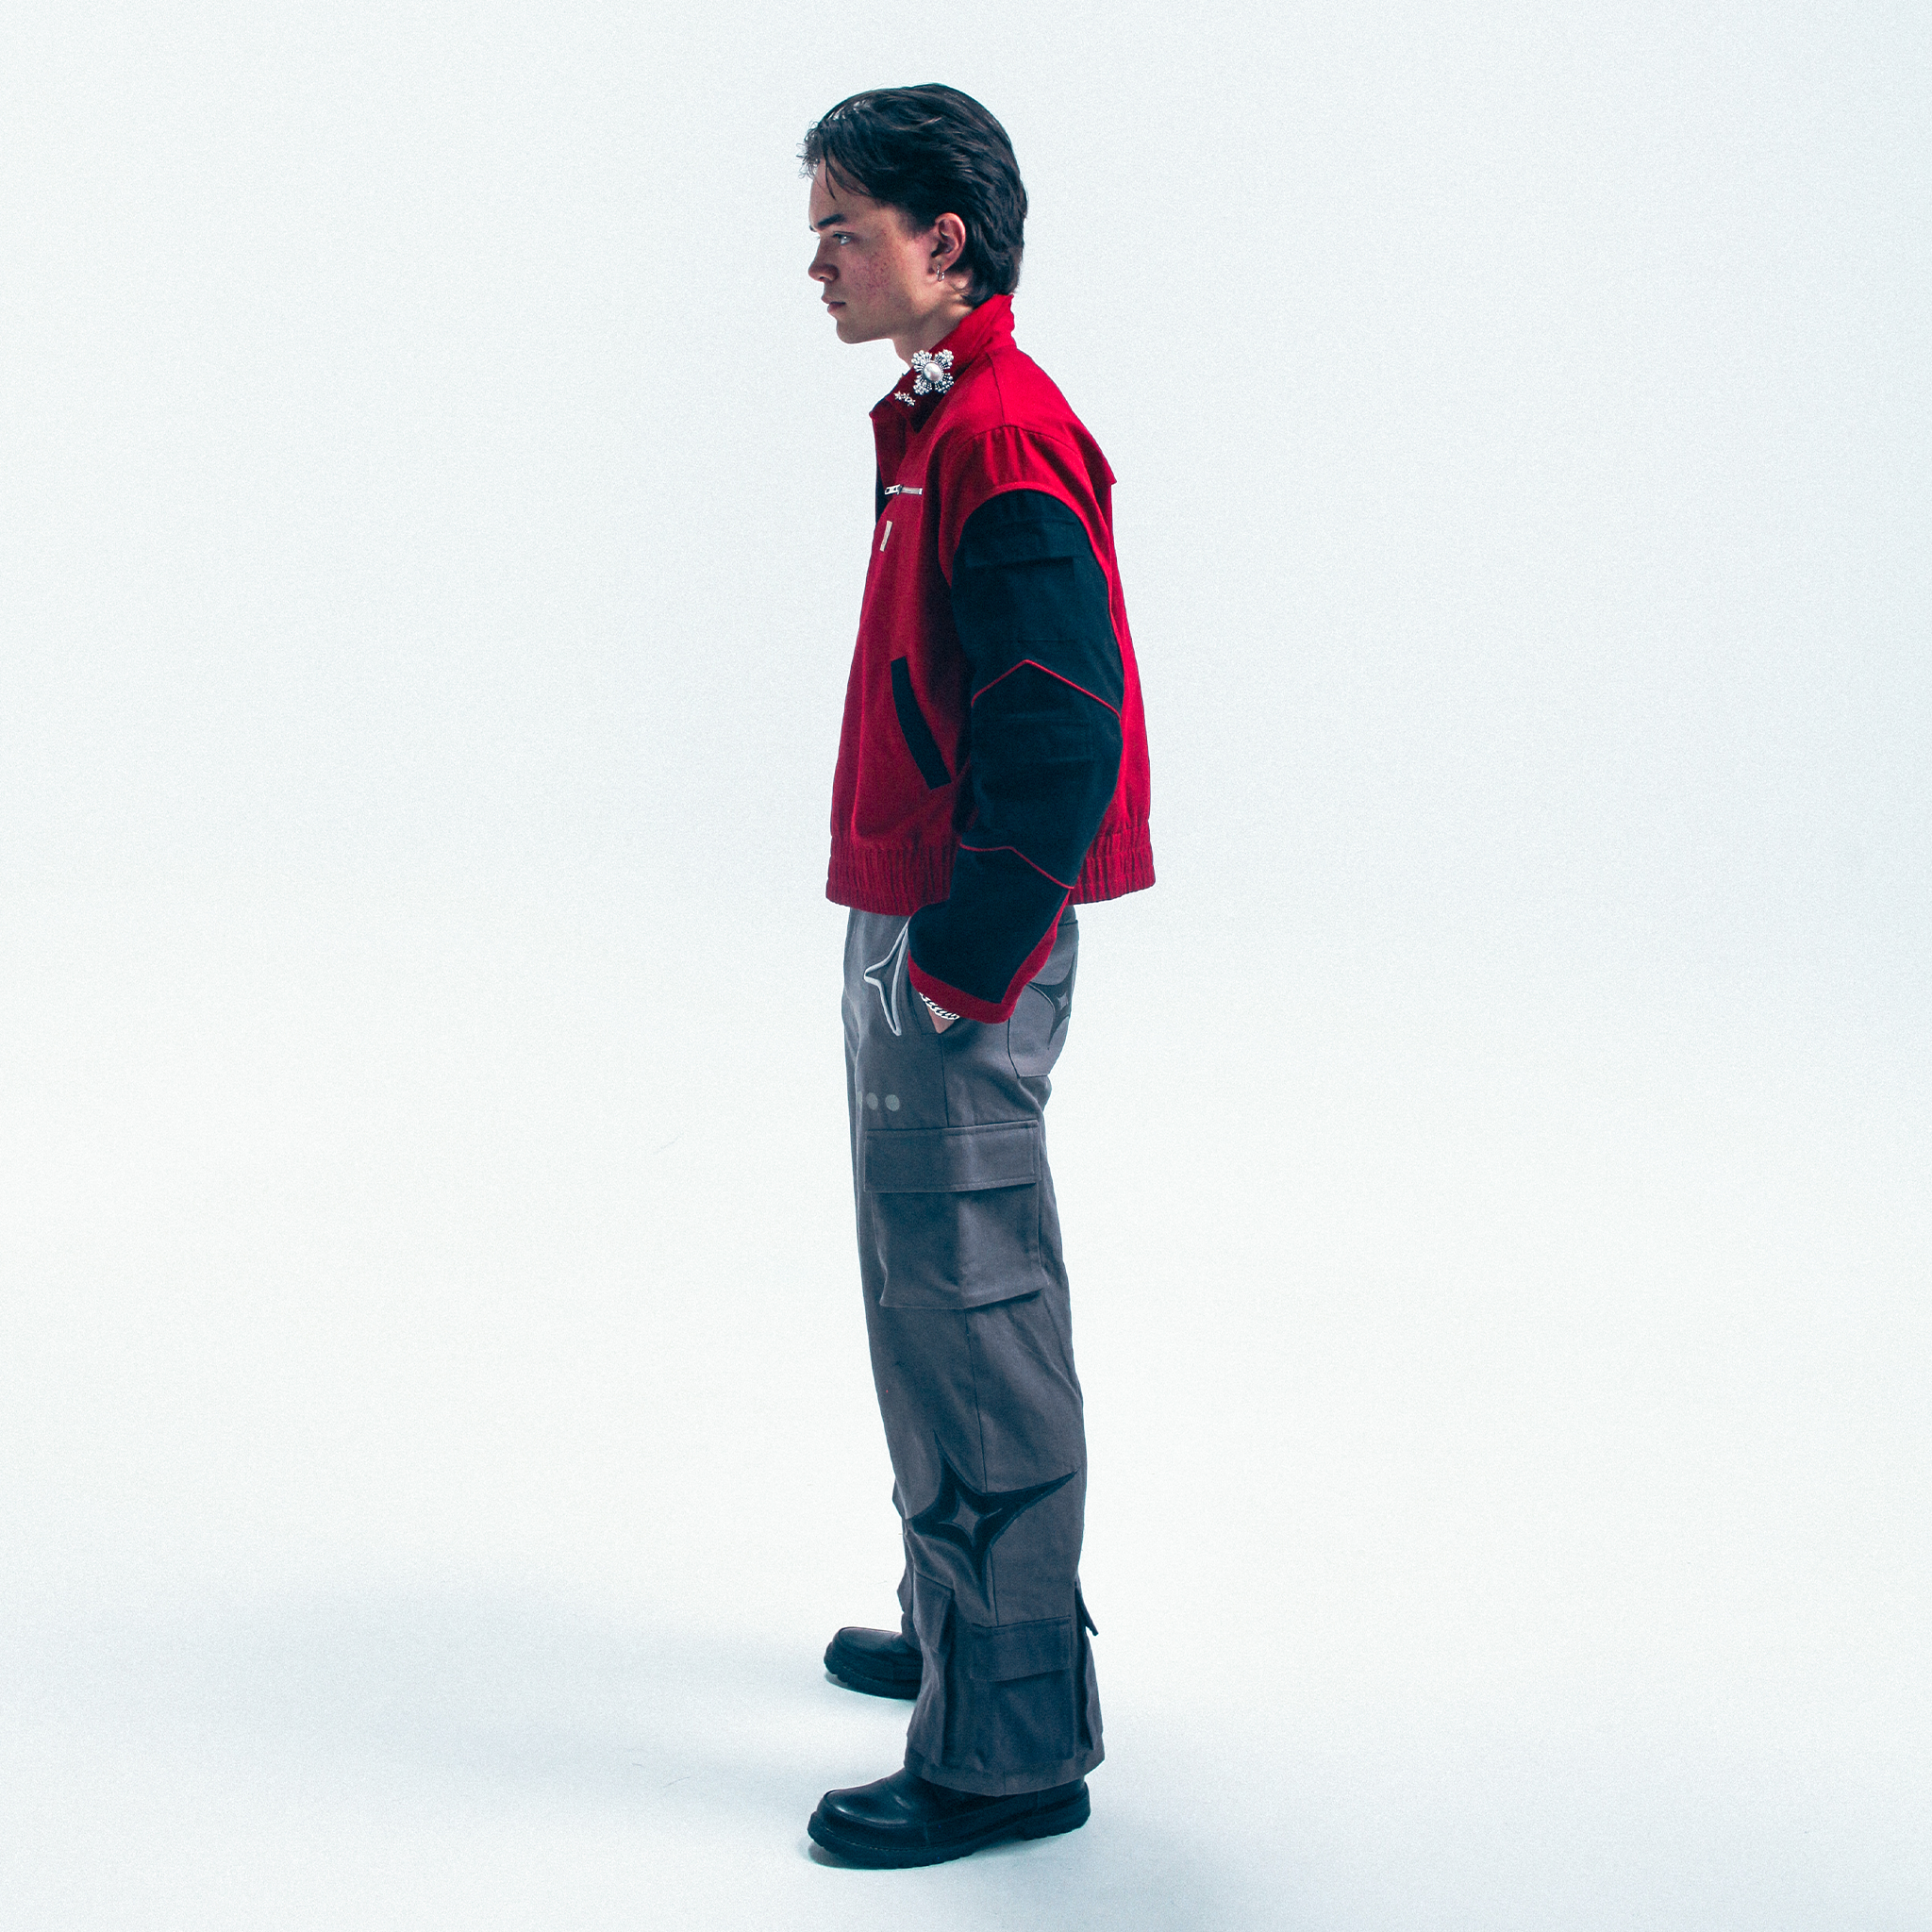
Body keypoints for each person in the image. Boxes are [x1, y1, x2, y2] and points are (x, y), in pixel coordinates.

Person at [800, 85, 1155, 1870]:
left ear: (944, 243)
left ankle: (1011, 1742)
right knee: (927, 1297)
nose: (816, 263)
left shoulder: (1000, 438)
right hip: (921, 927)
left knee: (973, 1308)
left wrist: (956, 965)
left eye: (843, 231)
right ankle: (963, 1627)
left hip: (958, 946)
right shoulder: (942, 419)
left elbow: (1061, 732)